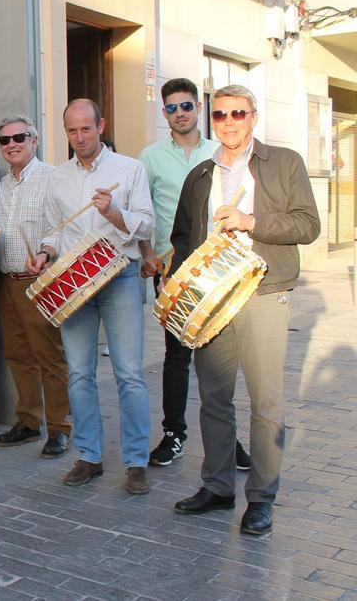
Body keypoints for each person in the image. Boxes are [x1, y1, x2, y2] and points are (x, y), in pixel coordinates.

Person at [171, 85, 320, 536]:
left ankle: (261, 498)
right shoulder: (199, 174)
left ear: (253, 116)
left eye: (238, 113)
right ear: (210, 119)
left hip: (263, 291)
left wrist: (252, 222)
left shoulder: (285, 162)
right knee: (214, 399)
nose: (229, 121)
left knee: (266, 402)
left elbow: (309, 225)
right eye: (220, 115)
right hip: (211, 300)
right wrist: (178, 282)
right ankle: (217, 487)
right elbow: (182, 236)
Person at [31, 99, 155, 495]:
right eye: (72, 131)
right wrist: (46, 252)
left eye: (86, 129)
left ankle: (137, 462)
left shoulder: (130, 169)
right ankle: (89, 456)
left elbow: (147, 225)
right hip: (72, 279)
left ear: (101, 126)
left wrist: (115, 213)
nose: (79, 137)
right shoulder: (58, 176)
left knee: (129, 373)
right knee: (80, 373)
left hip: (120, 275)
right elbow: (54, 229)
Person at [138, 80, 253, 471]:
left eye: (186, 105)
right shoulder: (150, 158)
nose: (180, 113)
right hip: (173, 270)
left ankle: (227, 437)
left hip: (219, 270)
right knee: (176, 356)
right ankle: (174, 433)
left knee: (219, 359)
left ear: (198, 108)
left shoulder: (219, 150)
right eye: (171, 108)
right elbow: (144, 214)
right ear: (164, 113)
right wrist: (148, 254)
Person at [0, 116, 71, 458]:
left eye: (19, 137)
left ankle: (59, 428)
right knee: (18, 356)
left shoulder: (53, 178)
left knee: (50, 357)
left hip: (40, 281)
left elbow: (63, 226)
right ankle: (27, 421)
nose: (12, 144)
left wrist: (45, 251)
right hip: (8, 281)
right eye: (5, 140)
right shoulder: (3, 183)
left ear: (34, 140)